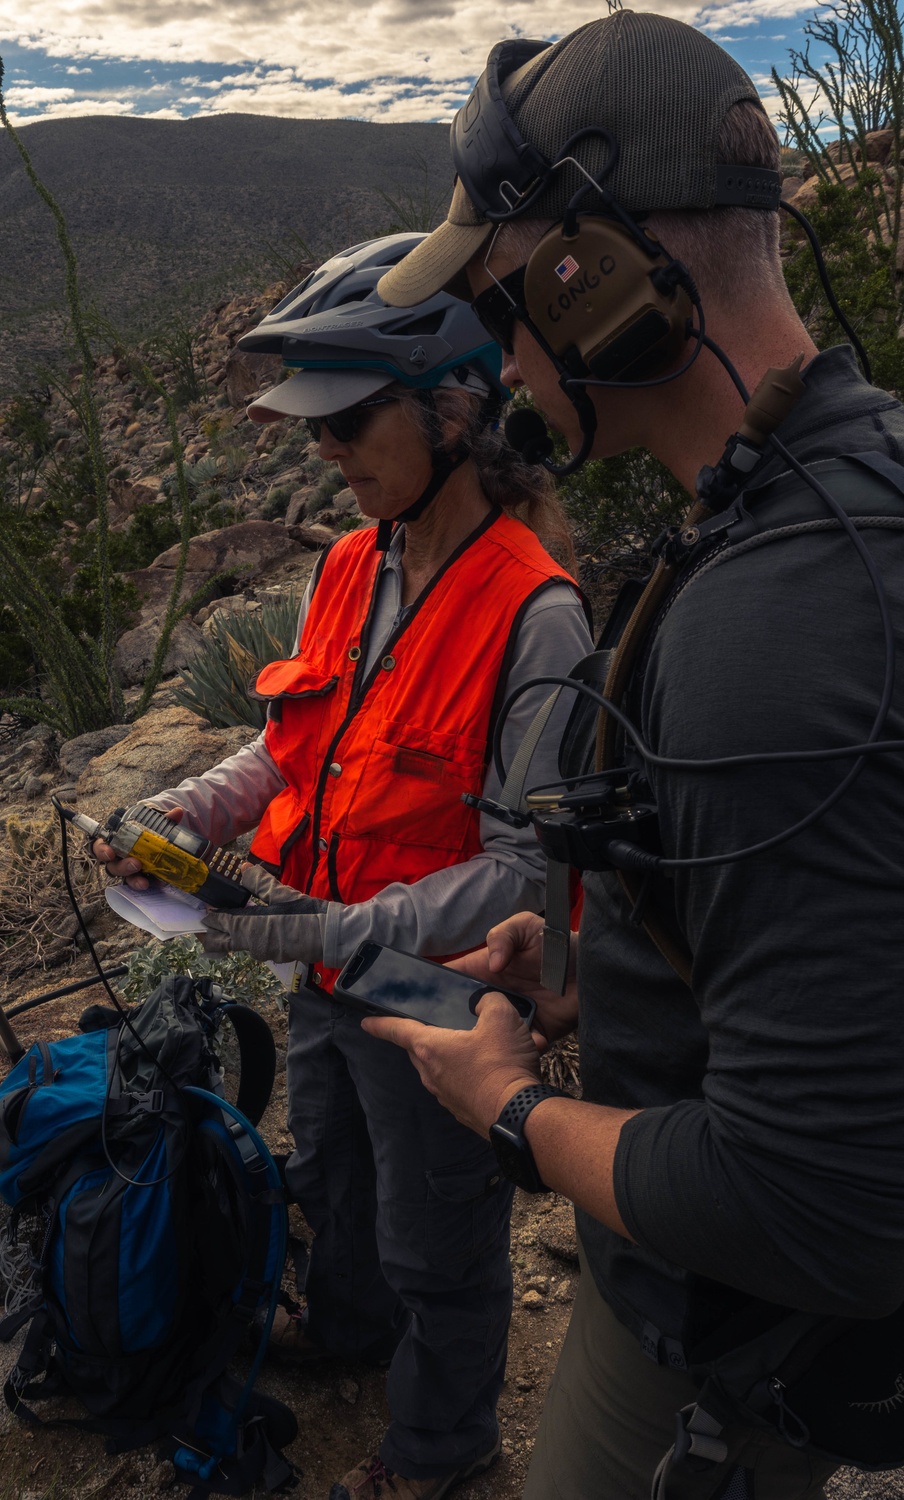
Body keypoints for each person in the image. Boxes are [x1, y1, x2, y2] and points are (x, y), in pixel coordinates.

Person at [366, 12, 904, 1500]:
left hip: (729, 1349)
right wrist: (598, 971)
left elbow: (820, 1202)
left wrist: (514, 1113)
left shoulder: (777, 630)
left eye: (497, 302)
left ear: (584, 280)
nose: (499, 353)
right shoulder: (841, 490)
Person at [94, 234, 593, 1500]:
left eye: (345, 422)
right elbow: (291, 745)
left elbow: (526, 867)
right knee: (332, 1171)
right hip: (316, 967)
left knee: (438, 1236)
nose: (319, 450)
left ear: (455, 409)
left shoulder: (538, 614)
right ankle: (355, 1331)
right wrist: (194, 805)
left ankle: (440, 1447)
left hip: (436, 997)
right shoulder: (344, 566)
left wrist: (321, 929)